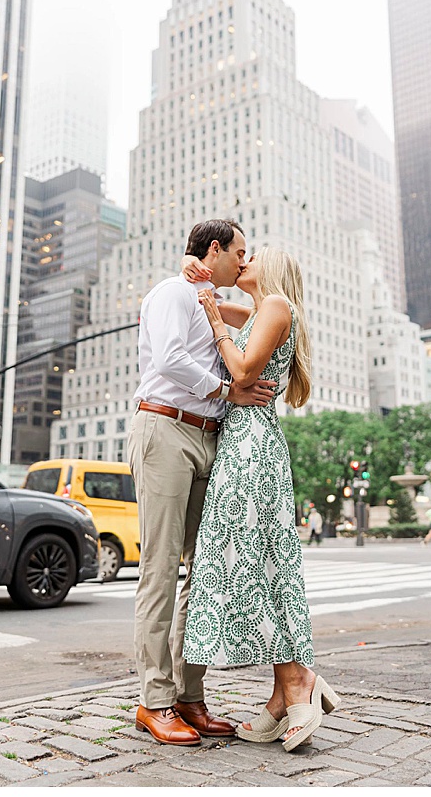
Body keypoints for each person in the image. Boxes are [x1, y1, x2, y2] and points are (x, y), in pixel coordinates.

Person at [179, 246, 339, 752]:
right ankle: (283, 691)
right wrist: (193, 274)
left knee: (256, 561)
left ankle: (297, 682)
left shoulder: (275, 307)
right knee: (260, 561)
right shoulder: (259, 309)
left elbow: (244, 372)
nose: (243, 261)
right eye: (239, 254)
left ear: (273, 271)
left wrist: (219, 328)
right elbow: (203, 298)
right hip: (242, 444)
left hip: (251, 447)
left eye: (253, 256)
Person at [126, 219, 279, 747]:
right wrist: (227, 390)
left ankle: (190, 697)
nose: (244, 260)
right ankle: (155, 701)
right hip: (165, 428)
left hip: (208, 436)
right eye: (239, 251)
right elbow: (169, 359)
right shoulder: (172, 291)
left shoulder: (208, 297)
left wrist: (209, 285)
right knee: (161, 569)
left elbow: (251, 319)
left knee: (206, 573)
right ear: (214, 249)